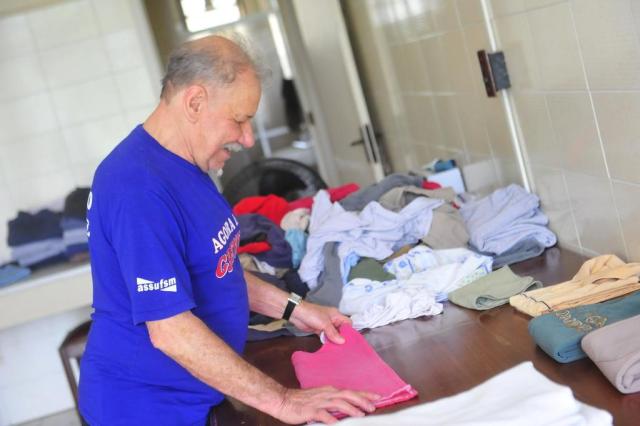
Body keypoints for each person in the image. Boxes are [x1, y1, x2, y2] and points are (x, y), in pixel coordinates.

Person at [77, 35, 378, 425]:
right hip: (145, 408)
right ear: (195, 102)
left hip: (199, 393)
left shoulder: (188, 164)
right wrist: (284, 401)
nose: (248, 138)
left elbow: (214, 269)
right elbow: (171, 330)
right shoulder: (137, 187)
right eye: (239, 119)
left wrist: (295, 309)